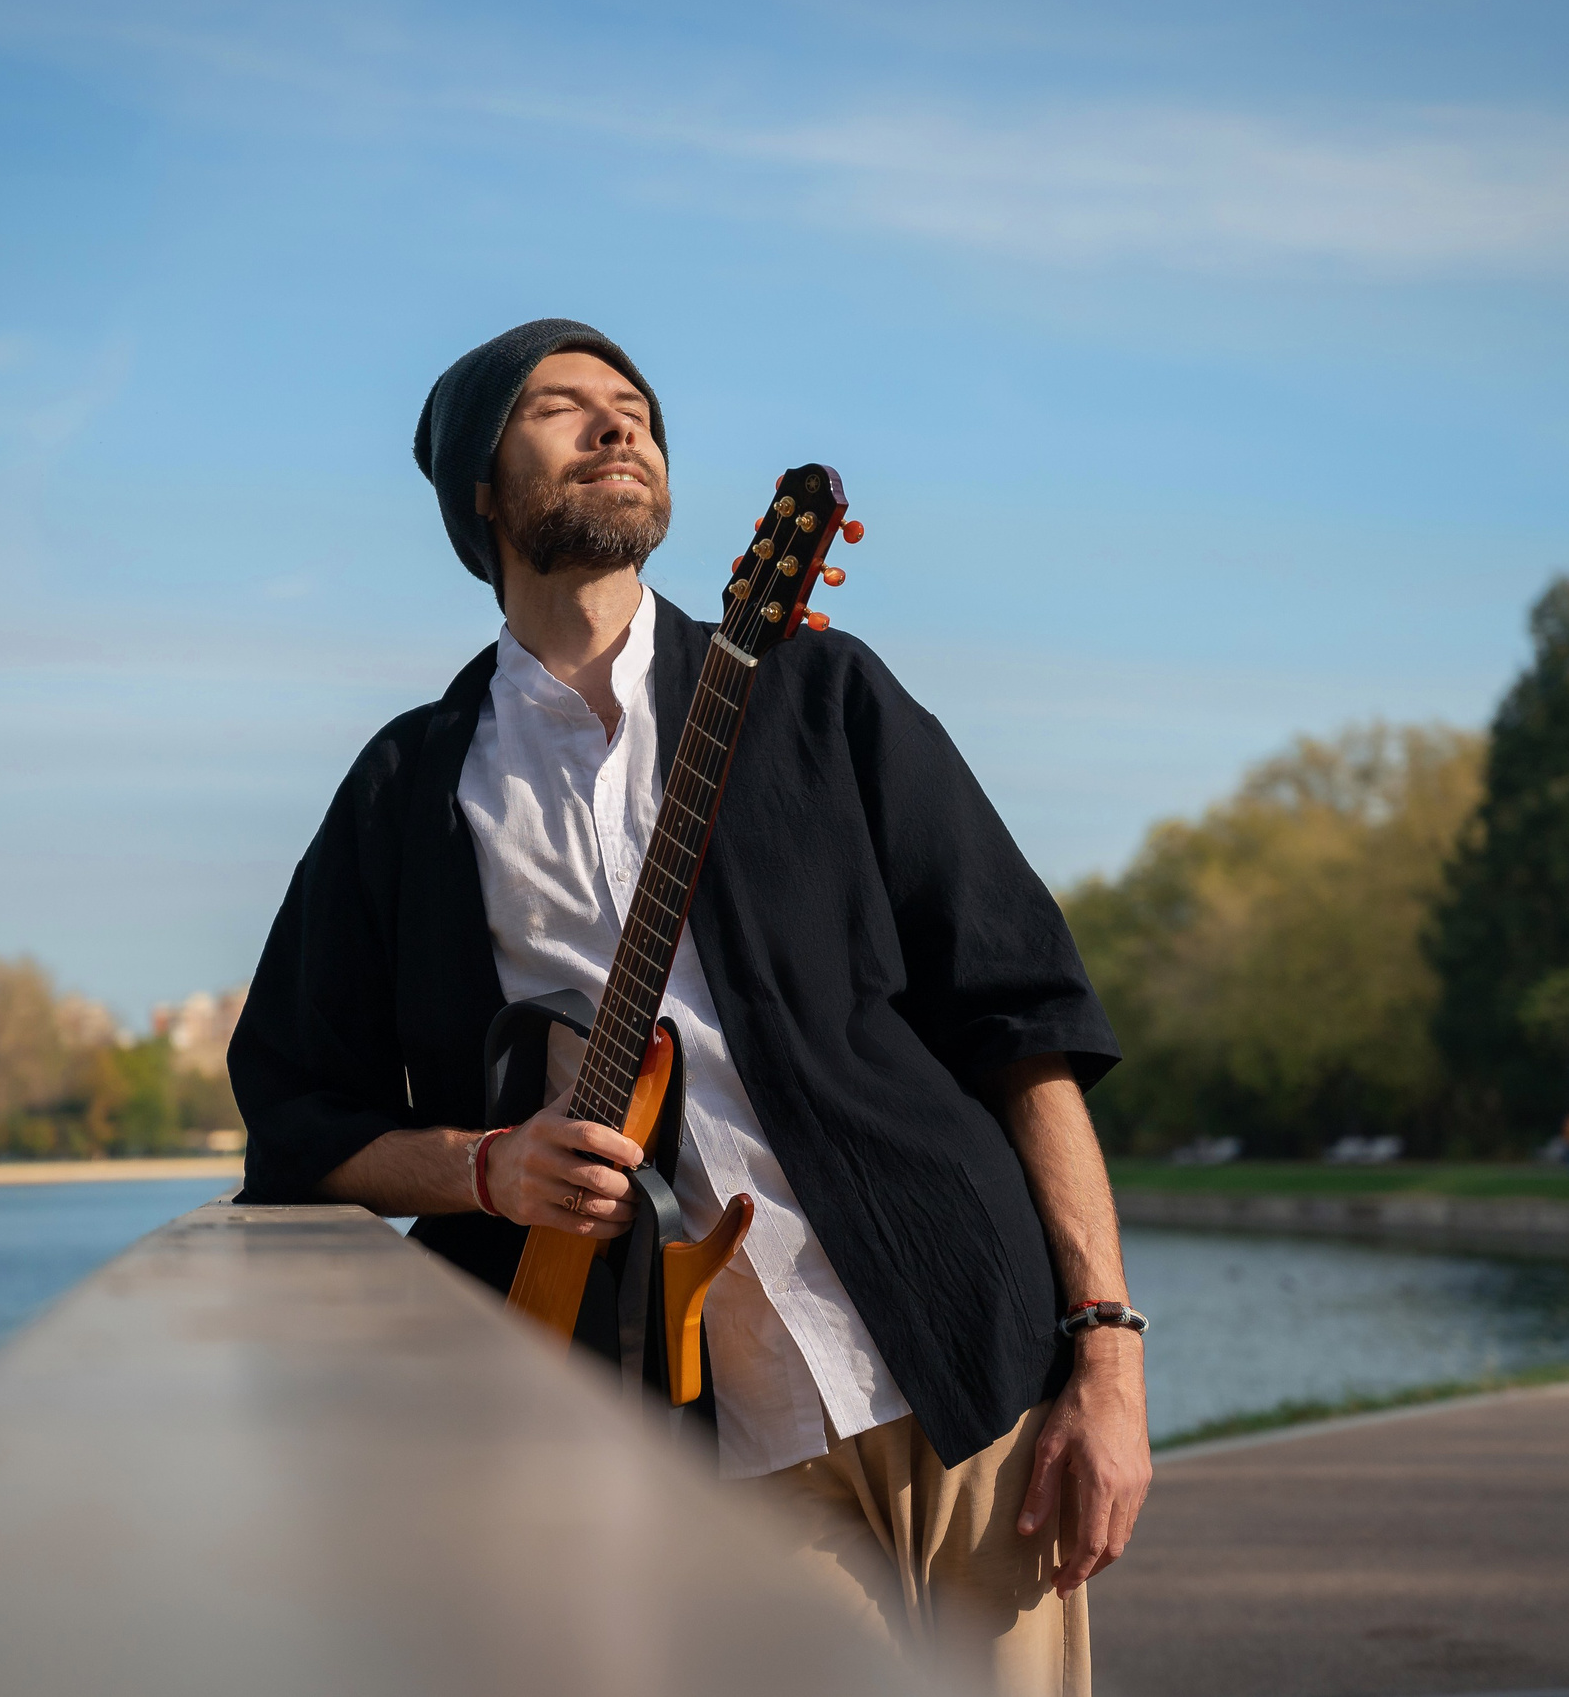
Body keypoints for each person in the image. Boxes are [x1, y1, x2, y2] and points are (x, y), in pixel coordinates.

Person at [228, 319, 1148, 1697]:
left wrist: (1107, 1354)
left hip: (969, 1358)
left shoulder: (823, 694)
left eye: (636, 407)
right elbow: (298, 1116)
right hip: (692, 1439)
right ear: (480, 493)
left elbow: (1020, 1023)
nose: (619, 426)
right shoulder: (412, 790)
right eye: (560, 406)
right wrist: (486, 1168)